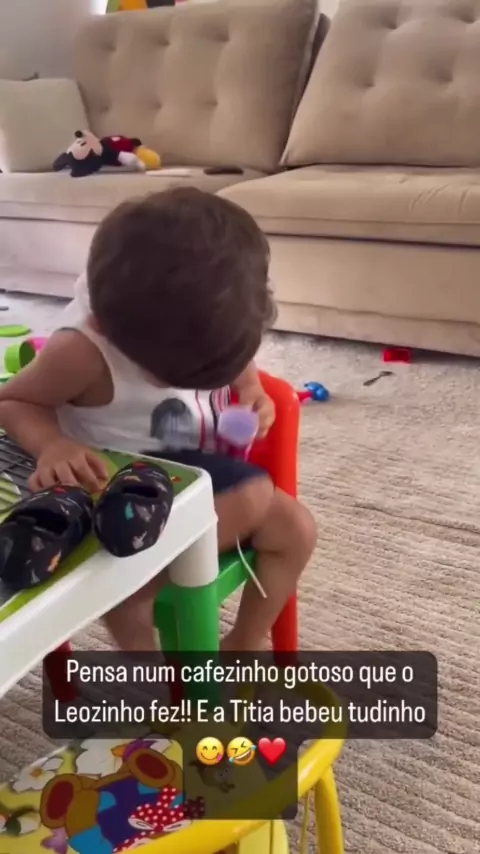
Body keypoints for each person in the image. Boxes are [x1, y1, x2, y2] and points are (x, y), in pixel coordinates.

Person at [0, 188, 316, 652]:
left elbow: (234, 352)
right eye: (180, 376)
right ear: (105, 328)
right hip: (119, 495)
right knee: (251, 495)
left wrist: (249, 386)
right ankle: (141, 650)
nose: (205, 381)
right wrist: (53, 444)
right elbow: (13, 401)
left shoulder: (208, 317)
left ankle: (244, 644)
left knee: (297, 530)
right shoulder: (82, 352)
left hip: (192, 468)